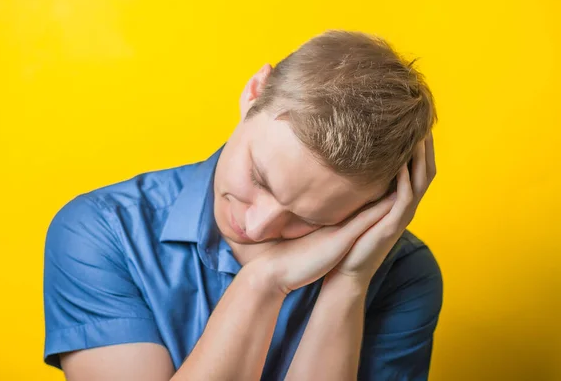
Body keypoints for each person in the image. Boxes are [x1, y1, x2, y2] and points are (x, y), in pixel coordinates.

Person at [43, 30, 443, 380]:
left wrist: (349, 283)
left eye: (307, 219)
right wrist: (263, 281)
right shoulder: (102, 232)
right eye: (258, 178)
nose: (257, 227)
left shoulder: (403, 275)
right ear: (254, 93)